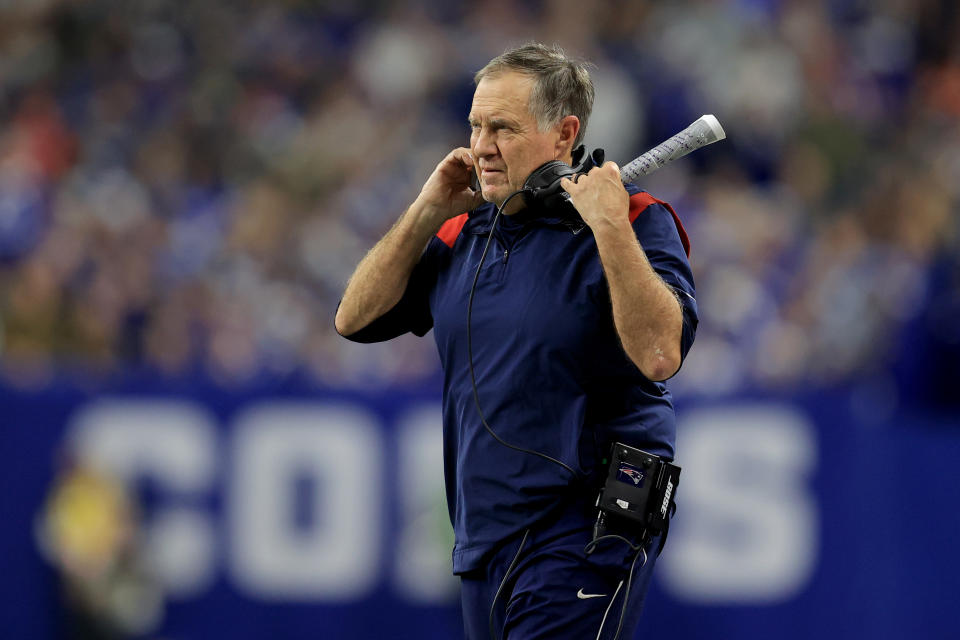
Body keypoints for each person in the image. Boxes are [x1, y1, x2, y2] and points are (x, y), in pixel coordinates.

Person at [335, 43, 697, 640]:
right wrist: (427, 207)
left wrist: (606, 224)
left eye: (501, 128)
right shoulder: (463, 232)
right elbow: (353, 318)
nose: (480, 146)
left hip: (601, 510)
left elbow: (661, 353)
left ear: (565, 133)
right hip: (486, 524)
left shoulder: (634, 219)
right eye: (476, 125)